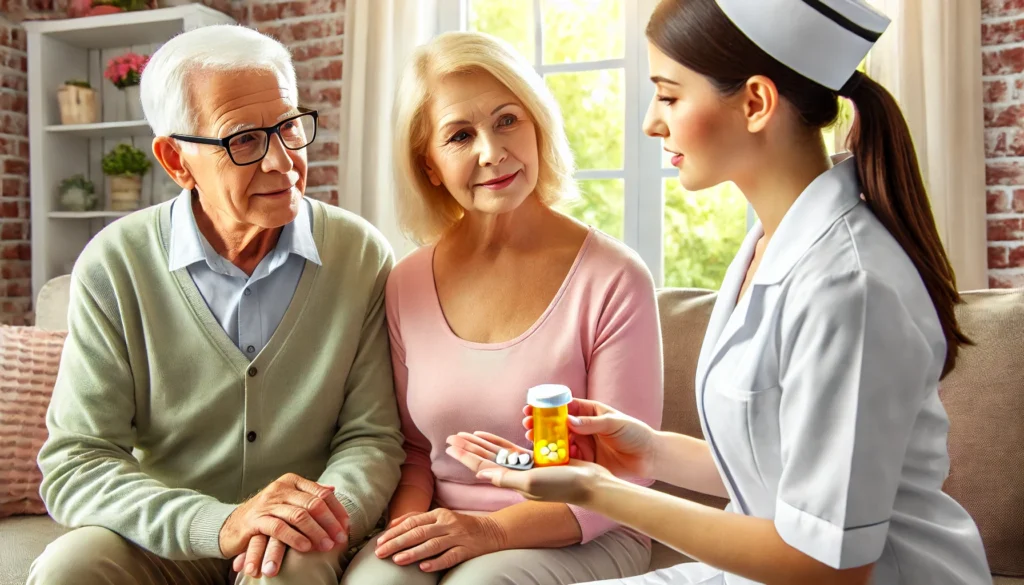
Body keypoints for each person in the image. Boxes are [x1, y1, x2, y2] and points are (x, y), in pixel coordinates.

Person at [446, 1, 992, 584]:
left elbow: (829, 566)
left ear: (755, 103)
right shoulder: (772, 241)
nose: (652, 122)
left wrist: (602, 493)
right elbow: (783, 469)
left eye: (670, 95)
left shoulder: (849, 287)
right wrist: (648, 451)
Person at [28, 24, 405, 585]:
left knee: (286, 575)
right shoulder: (115, 263)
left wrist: (317, 518)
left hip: (301, 537)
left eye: (288, 128)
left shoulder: (359, 252)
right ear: (176, 161)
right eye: (245, 140)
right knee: (69, 570)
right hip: (168, 533)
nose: (282, 163)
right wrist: (219, 523)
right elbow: (76, 462)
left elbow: (372, 437)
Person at [339, 32, 664, 585]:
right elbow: (416, 451)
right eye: (460, 135)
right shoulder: (406, 283)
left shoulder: (614, 277)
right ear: (431, 165)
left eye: (508, 120)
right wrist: (410, 533)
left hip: (585, 526)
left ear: (538, 125)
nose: (493, 151)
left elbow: (623, 476)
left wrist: (488, 532)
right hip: (446, 520)